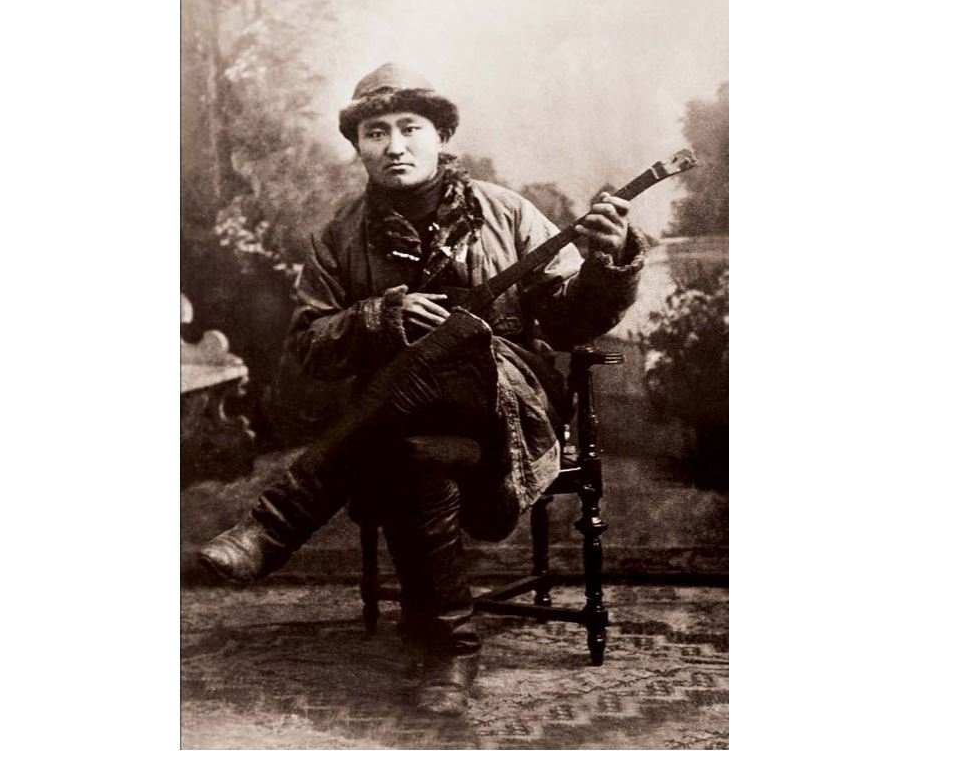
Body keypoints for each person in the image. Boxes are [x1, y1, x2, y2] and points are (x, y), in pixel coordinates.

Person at [200, 63, 645, 716]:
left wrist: (609, 261)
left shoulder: (507, 212)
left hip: (507, 406)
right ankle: (450, 652)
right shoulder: (339, 236)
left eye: (410, 128)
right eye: (376, 132)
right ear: (358, 146)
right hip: (408, 430)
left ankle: (276, 523)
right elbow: (308, 350)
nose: (394, 146)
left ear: (441, 135)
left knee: (453, 345)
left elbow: (568, 323)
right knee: (415, 455)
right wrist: (380, 316)